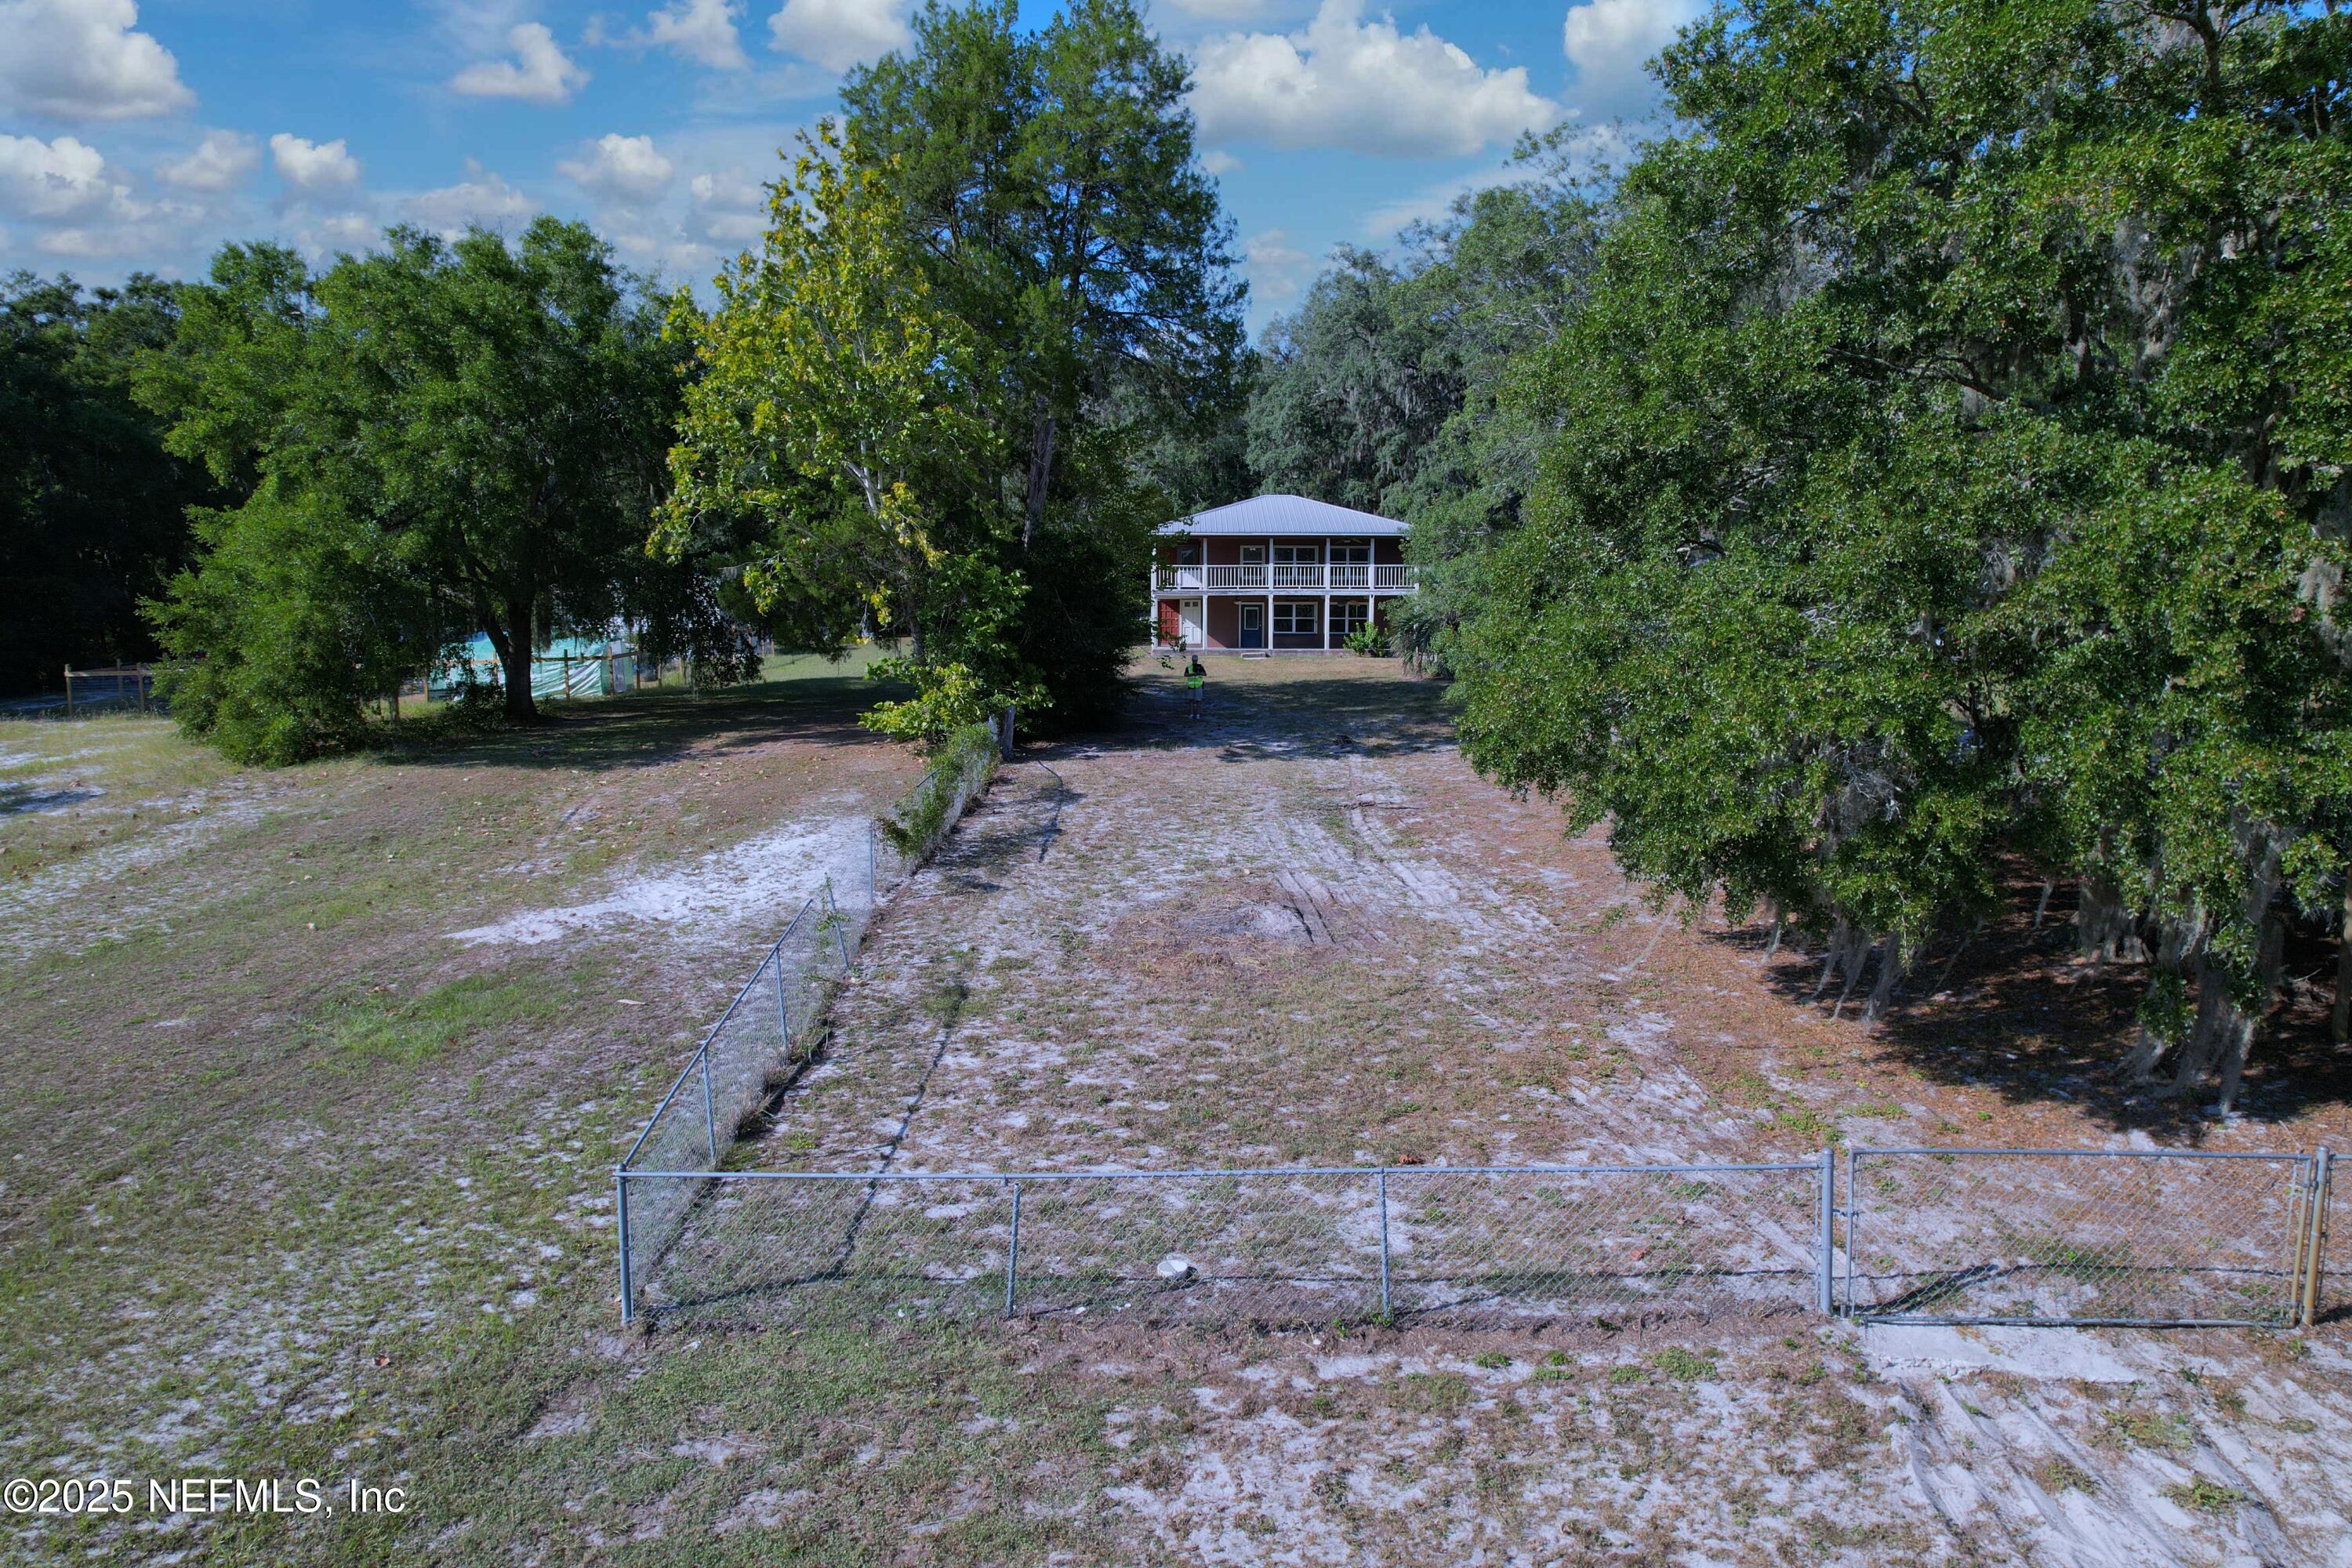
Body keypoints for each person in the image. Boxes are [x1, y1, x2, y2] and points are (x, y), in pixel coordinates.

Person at [1185, 655, 1207, 720]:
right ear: (1192, 660)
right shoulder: (1189, 667)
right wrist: (1192, 674)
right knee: (1191, 701)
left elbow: (1205, 674)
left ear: (1197, 660)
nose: (1195, 661)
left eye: (1196, 660)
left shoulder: (1200, 667)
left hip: (1198, 686)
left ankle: (1198, 715)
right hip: (1191, 686)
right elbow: (1185, 675)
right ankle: (1191, 714)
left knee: (1198, 701)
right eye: (1194, 660)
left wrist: (1199, 673)